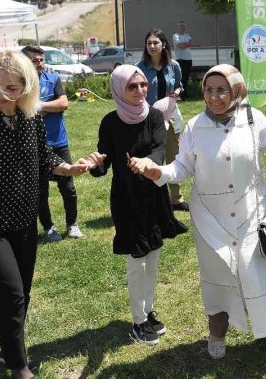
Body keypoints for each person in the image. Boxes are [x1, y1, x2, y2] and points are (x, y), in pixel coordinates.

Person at [131, 64, 266, 366]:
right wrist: (157, 171)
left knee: (263, 275)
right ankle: (217, 333)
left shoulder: (253, 119)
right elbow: (182, 168)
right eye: (208, 90)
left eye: (221, 90)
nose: (214, 97)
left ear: (236, 90)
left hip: (251, 214)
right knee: (217, 277)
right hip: (209, 218)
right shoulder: (196, 126)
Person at [0, 51, 89, 379]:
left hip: (23, 222)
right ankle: (19, 368)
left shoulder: (30, 116)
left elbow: (45, 155)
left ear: (27, 85)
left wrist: (68, 168)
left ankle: (8, 350)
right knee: (10, 293)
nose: (4, 93)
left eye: (13, 86)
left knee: (20, 293)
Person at [84, 65, 187, 347]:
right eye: (133, 86)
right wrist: (95, 163)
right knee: (136, 262)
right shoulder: (110, 122)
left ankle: (148, 309)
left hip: (154, 196)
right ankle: (138, 321)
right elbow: (103, 162)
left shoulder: (154, 116)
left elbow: (158, 149)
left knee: (153, 257)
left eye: (142, 85)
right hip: (126, 199)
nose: (141, 91)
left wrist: (147, 164)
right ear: (119, 89)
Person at [21, 46, 82, 242]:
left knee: (68, 188)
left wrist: (39, 106)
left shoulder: (52, 79)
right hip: (34, 146)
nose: (39, 64)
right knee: (40, 191)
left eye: (41, 60)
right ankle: (48, 227)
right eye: (34, 61)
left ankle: (72, 224)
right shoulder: (20, 85)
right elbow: (23, 112)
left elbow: (63, 103)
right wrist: (47, 109)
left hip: (58, 142)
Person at [136, 29, 188, 212]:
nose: (151, 46)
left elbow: (179, 85)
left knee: (174, 157)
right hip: (148, 120)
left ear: (163, 45)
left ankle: (176, 199)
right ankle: (155, 200)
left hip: (171, 118)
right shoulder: (139, 68)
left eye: (155, 43)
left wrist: (176, 94)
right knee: (153, 158)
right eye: (149, 43)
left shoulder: (174, 66)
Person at [172, 20, 194, 95]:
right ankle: (180, 94)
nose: (183, 27)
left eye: (184, 26)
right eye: (181, 26)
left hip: (188, 60)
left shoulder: (187, 35)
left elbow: (191, 43)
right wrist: (186, 44)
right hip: (180, 60)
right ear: (178, 27)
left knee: (187, 78)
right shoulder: (175, 36)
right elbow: (180, 46)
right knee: (181, 78)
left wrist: (185, 44)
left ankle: (185, 94)